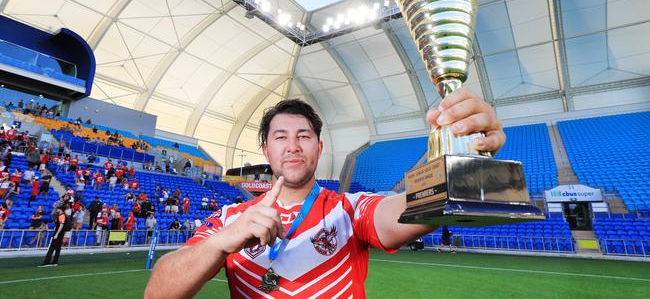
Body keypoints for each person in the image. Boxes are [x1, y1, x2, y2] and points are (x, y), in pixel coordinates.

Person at [145, 91, 505, 298]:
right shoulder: (228, 220)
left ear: (318, 148)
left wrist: (467, 156)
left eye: (303, 136)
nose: (292, 146)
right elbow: (157, 293)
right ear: (266, 150)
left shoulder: (350, 209)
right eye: (280, 137)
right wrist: (221, 242)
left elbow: (412, 208)